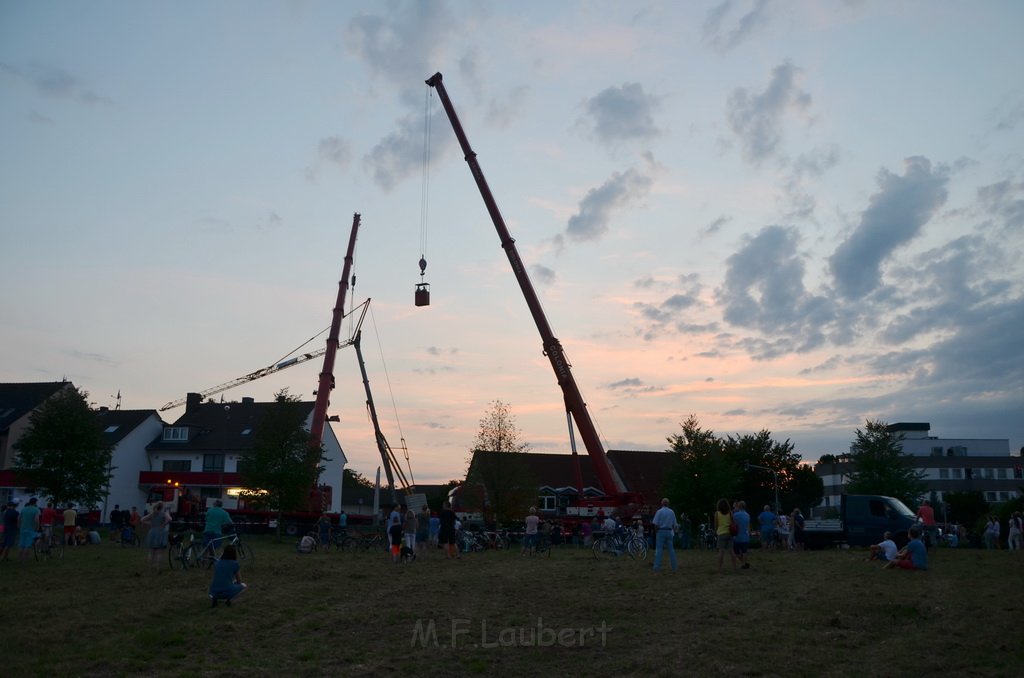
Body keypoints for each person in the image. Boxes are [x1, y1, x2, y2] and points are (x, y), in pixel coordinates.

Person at [140, 501, 171, 572]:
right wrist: (164, 524)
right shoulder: (163, 513)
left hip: (152, 532)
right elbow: (170, 519)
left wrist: (149, 523)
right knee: (159, 552)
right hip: (160, 531)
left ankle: (149, 568)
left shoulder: (152, 514)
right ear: (162, 507)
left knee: (151, 552)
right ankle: (158, 568)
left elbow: (142, 520)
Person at [651, 498, 678, 573]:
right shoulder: (671, 512)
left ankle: (656, 567)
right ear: (668, 504)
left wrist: (656, 531)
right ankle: (674, 567)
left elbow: (655, 524)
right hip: (669, 531)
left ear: (662, 503)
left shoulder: (659, 512)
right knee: (671, 550)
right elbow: (675, 525)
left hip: (661, 531)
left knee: (659, 549)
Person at [715, 499, 738, 571]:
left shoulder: (717, 513)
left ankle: (719, 568)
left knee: (721, 552)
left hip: (721, 533)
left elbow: (716, 524)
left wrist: (716, 531)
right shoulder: (730, 513)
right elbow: (734, 522)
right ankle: (734, 567)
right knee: (731, 551)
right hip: (729, 533)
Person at [733, 500, 751, 569]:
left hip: (737, 536)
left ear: (738, 506)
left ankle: (743, 563)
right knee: (744, 552)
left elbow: (733, 525)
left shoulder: (735, 515)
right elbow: (748, 526)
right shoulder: (747, 515)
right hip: (745, 535)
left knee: (736, 551)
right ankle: (744, 563)